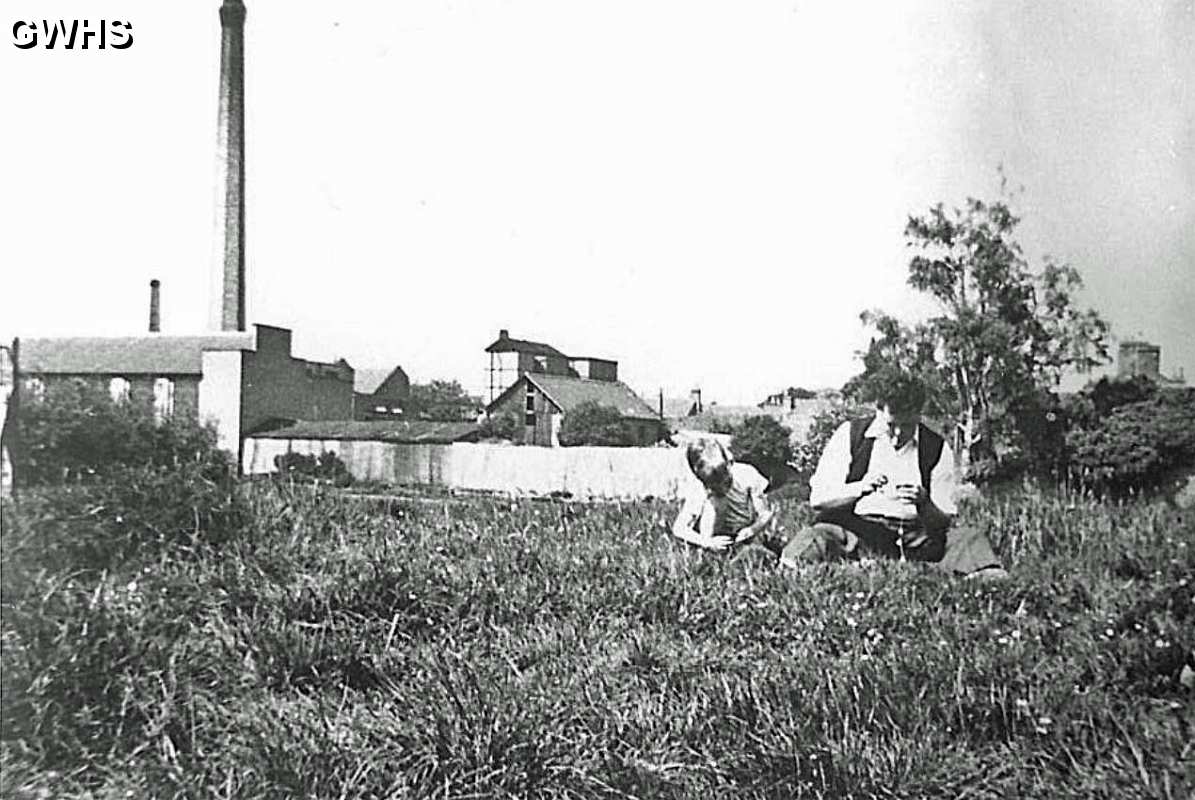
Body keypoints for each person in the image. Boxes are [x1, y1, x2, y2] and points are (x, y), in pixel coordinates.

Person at [779, 368, 1007, 580]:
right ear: (878, 410)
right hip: (857, 531)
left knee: (969, 537)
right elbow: (818, 500)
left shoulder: (936, 447)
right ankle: (794, 568)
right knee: (816, 535)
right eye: (890, 425)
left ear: (919, 414)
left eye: (907, 425)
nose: (898, 435)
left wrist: (924, 503)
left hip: (915, 537)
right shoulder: (851, 435)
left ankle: (981, 577)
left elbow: (942, 522)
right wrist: (860, 488)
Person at [672, 438, 778, 556]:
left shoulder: (746, 474)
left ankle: (748, 554)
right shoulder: (699, 489)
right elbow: (679, 528)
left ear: (729, 463)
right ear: (701, 479)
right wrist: (706, 542)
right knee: (715, 503)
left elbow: (765, 513)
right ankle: (709, 558)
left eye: (726, 482)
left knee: (760, 555)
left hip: (745, 535)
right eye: (714, 487)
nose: (723, 489)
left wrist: (752, 529)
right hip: (715, 539)